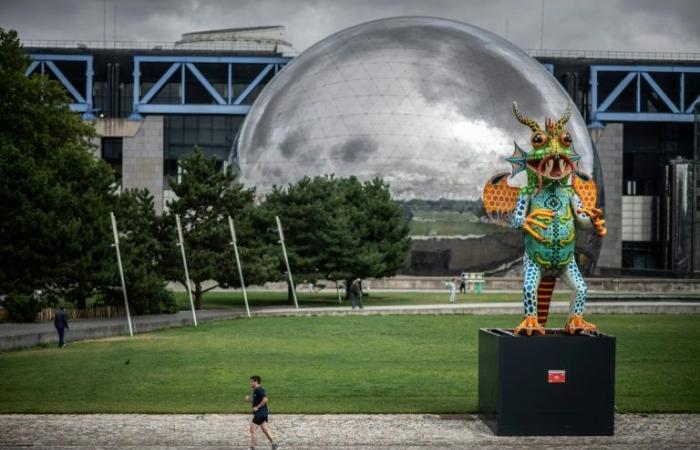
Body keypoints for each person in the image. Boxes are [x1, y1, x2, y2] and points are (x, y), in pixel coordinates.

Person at [244, 375, 279, 450]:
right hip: (262, 413)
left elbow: (265, 399)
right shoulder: (256, 390)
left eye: (251, 382)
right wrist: (249, 400)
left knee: (252, 429)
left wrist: (258, 407)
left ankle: (252, 447)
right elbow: (257, 401)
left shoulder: (259, 389)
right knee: (265, 429)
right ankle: (274, 444)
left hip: (260, 413)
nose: (250, 383)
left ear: (256, 381)